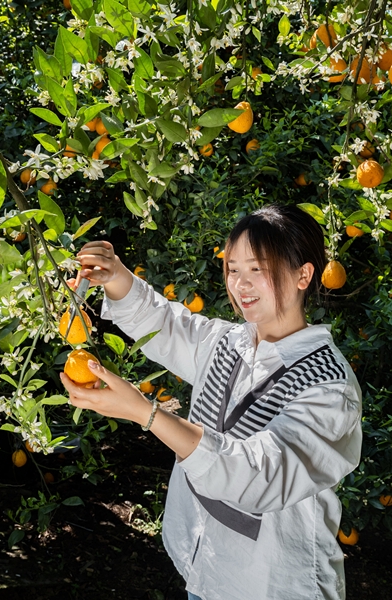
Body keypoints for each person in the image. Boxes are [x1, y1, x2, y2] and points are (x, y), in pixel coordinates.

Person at [59, 204, 363, 600]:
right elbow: (166, 324)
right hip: (203, 569)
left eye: (257, 269)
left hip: (273, 585)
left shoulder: (327, 385)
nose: (241, 284)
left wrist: (145, 414)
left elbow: (261, 475)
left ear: (304, 274)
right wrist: (116, 276)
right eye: (234, 269)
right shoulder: (230, 343)